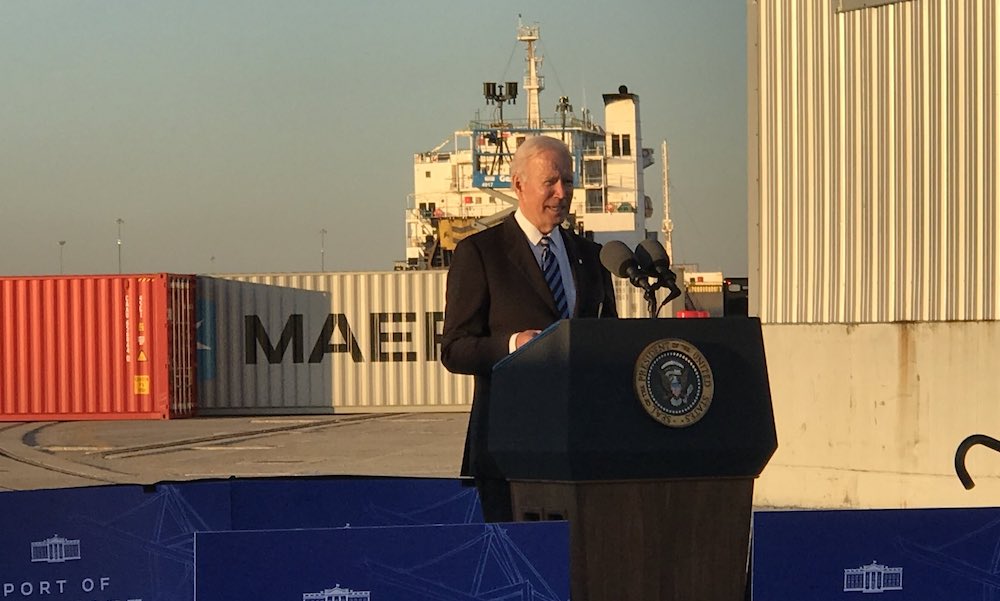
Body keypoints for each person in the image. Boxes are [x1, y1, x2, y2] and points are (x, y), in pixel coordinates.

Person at [440, 135, 618, 522]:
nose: (562, 193)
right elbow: (454, 349)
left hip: (583, 450)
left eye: (568, 181)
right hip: (509, 451)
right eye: (550, 182)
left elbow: (609, 341)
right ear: (518, 184)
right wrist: (512, 345)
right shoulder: (480, 253)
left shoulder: (592, 257)